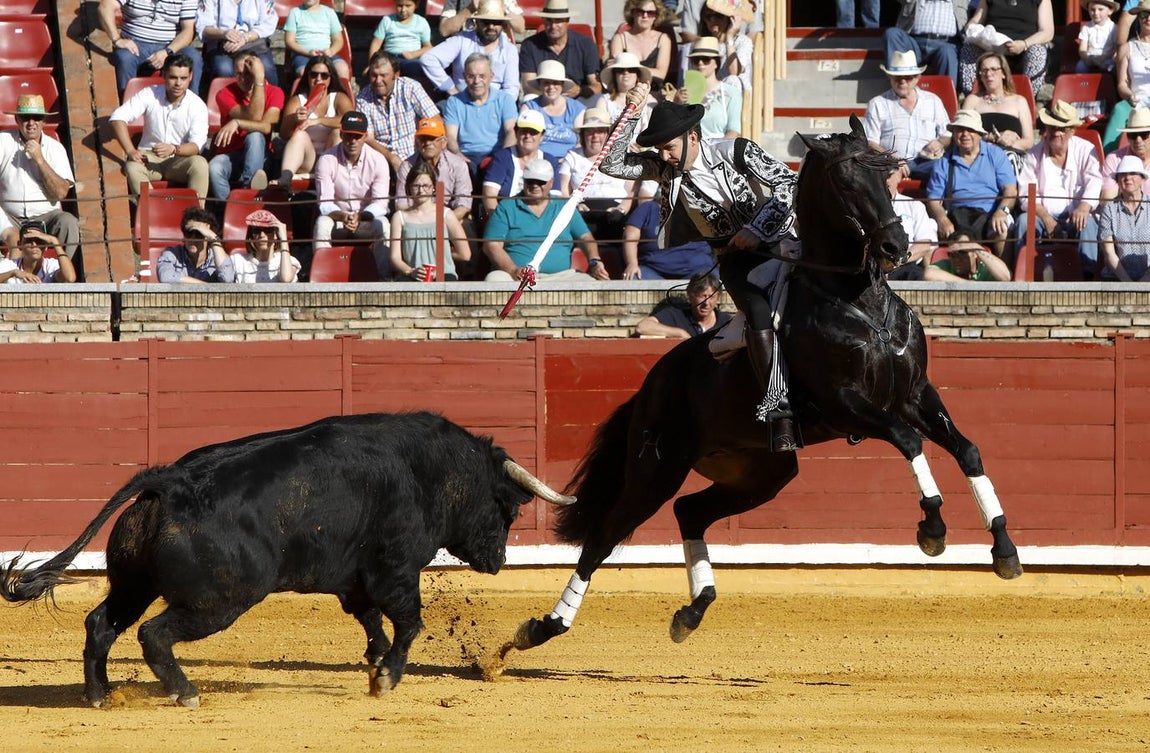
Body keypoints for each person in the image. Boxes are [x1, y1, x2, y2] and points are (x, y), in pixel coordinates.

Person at [600, 83, 799, 452]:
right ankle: (779, 408)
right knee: (757, 311)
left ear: (692, 137)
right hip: (734, 259)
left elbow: (789, 182)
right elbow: (611, 163)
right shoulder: (665, 171)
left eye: (669, 147)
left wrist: (758, 228)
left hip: (780, 243)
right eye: (660, 149)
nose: (664, 155)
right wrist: (630, 115)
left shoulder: (737, 150)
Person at [0, 95, 84, 280]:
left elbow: (61, 193)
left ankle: (60, 277)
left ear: (44, 121)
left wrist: (39, 160)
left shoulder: (55, 148)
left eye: (37, 118)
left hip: (45, 216)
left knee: (68, 222)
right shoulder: (3, 141)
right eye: (25, 118)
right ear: (17, 119)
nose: (31, 123)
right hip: (9, 215)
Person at [483, 159, 608, 282]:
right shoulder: (506, 207)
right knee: (494, 280)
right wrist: (513, 270)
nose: (535, 185)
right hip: (514, 276)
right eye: (530, 181)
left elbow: (585, 237)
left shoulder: (565, 207)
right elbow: (492, 245)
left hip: (562, 277)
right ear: (524, 181)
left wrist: (594, 261)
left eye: (541, 182)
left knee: (593, 284)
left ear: (551, 182)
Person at [109, 53, 210, 204]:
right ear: (164, 75)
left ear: (190, 77)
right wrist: (130, 151)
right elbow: (117, 118)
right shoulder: (150, 93)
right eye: (173, 77)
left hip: (179, 160)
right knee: (132, 167)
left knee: (200, 164)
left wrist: (174, 149)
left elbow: (197, 146)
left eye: (183, 78)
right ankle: (153, 210)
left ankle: (196, 214)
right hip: (148, 157)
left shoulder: (197, 105)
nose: (178, 83)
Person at [1016, 99, 1102, 276]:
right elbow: (1026, 195)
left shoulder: (1086, 150)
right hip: (1043, 215)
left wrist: (1083, 207)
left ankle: (1089, 277)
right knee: (1024, 221)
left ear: (1071, 131)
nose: (1056, 132)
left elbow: (1094, 182)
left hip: (1076, 215)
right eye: (1052, 127)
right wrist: (1046, 218)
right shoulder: (1033, 154)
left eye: (1062, 129)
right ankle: (1024, 273)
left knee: (1087, 222)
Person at [924, 109, 1017, 258]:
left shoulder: (996, 154)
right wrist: (942, 219)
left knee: (1003, 227)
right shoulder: (943, 162)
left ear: (979, 133)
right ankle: (934, 269)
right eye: (960, 130)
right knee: (928, 229)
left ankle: (1004, 270)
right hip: (956, 218)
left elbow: (1010, 190)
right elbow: (933, 200)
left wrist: (1002, 211)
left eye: (970, 130)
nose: (965, 134)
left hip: (991, 215)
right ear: (954, 133)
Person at [313, 111, 391, 278]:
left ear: (365, 136)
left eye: (357, 136)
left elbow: (381, 204)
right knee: (322, 224)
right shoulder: (326, 159)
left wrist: (359, 217)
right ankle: (321, 278)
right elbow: (325, 203)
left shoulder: (378, 160)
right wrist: (344, 217)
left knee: (383, 225)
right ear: (341, 134)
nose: (352, 140)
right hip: (338, 219)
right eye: (348, 135)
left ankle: (384, 279)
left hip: (366, 219)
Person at [207, 52, 284, 204]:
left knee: (255, 135)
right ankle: (227, 209)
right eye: (238, 74)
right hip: (232, 154)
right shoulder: (224, 93)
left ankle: (249, 190)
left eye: (248, 73)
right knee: (214, 167)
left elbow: (266, 127)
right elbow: (254, 117)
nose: (242, 79)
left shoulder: (275, 92)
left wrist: (238, 123)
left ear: (258, 72)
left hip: (261, 156)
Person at [864, 49, 951, 180]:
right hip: (889, 163)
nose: (903, 81)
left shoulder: (933, 100)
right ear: (890, 77)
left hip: (926, 161)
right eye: (897, 77)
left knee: (947, 168)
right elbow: (870, 142)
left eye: (908, 77)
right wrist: (891, 159)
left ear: (917, 77)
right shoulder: (877, 103)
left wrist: (939, 143)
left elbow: (947, 134)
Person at [273, 54, 355, 189]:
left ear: (331, 78)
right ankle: (285, 178)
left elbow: (350, 121)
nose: (318, 79)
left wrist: (318, 121)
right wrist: (294, 119)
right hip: (307, 159)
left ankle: (333, 176)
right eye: (314, 75)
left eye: (324, 76)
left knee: (337, 132)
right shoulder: (297, 100)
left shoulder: (338, 98)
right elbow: (284, 134)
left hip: (331, 157)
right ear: (307, 76)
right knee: (299, 135)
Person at [559, 108, 636, 249]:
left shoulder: (621, 156)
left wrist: (622, 209)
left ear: (608, 134)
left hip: (615, 214)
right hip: (582, 213)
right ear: (583, 135)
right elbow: (563, 190)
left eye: (600, 131)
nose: (595, 136)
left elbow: (632, 192)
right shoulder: (572, 157)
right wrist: (574, 207)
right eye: (590, 131)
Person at [357, 51, 440, 173]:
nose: (378, 81)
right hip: (381, 159)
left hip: (415, 156)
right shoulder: (363, 97)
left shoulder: (410, 87)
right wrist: (391, 158)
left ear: (396, 75)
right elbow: (368, 138)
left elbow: (435, 120)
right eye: (374, 75)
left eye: (383, 75)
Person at [99, 0, 203, 96]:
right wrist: (117, 39)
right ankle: (127, 102)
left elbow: (188, 30)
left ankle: (191, 103)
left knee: (193, 57)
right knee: (125, 58)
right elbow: (105, 7)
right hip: (135, 45)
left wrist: (168, 51)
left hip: (172, 46)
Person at [420, 0, 521, 100]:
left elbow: (511, 89)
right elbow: (429, 58)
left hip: (496, 104)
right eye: (485, 22)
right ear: (476, 22)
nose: (491, 26)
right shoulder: (461, 40)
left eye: (496, 22)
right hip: (461, 102)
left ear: (503, 24)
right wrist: (451, 89)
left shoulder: (509, 49)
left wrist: (500, 106)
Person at [389, 164, 472, 281]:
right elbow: (395, 257)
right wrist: (411, 271)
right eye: (416, 186)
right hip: (413, 276)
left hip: (444, 275)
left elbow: (465, 254)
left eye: (426, 186)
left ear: (433, 187)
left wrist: (444, 257)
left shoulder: (446, 214)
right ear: (409, 188)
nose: (421, 190)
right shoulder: (399, 217)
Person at [958, 0, 1054, 97]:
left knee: (1038, 51)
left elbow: (1047, 32)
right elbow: (977, 19)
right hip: (992, 50)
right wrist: (971, 28)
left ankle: (1028, 97)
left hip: (1024, 50)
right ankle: (973, 96)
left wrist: (1024, 44)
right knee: (969, 47)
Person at [442, 53, 518, 173]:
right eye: (471, 76)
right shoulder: (454, 102)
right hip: (464, 157)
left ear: (491, 76)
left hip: (497, 155)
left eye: (482, 76)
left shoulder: (505, 100)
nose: (476, 81)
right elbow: (450, 136)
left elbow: (511, 131)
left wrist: (501, 158)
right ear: (464, 77)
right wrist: (458, 156)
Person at [960, 51, 1036, 170]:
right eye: (984, 70)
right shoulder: (972, 100)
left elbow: (1029, 141)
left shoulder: (1019, 101)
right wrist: (991, 138)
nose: (988, 74)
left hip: (1010, 155)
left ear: (1004, 73)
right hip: (979, 154)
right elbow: (961, 134)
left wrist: (1010, 144)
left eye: (994, 69)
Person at [482, 109, 563, 217]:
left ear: (542, 136)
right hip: (505, 217)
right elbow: (489, 196)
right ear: (516, 132)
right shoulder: (502, 158)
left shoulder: (550, 161)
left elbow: (555, 199)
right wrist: (501, 220)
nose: (527, 136)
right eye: (524, 131)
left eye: (533, 132)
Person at [519, 0, 602, 102]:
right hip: (543, 99)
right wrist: (554, 96)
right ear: (543, 20)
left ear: (567, 21)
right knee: (529, 98)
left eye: (558, 21)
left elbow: (597, 86)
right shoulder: (530, 45)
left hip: (578, 99)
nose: (553, 26)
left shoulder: (586, 44)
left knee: (597, 99)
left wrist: (579, 91)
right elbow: (528, 86)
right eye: (549, 20)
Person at [395, 116, 473, 221]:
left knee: (467, 225)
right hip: (417, 220)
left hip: (449, 219)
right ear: (417, 142)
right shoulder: (407, 166)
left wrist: (441, 222)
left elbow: (464, 205)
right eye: (423, 139)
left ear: (444, 142)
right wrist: (423, 222)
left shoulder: (458, 165)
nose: (427, 143)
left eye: (432, 138)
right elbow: (402, 205)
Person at [622, 199, 716, 280]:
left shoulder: (698, 208)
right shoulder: (648, 208)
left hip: (698, 269)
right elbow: (629, 237)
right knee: (633, 277)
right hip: (653, 269)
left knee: (714, 281)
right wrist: (632, 264)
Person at [196, 0, 280, 86]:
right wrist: (224, 34)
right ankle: (225, 94)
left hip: (253, 42)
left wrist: (245, 37)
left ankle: (271, 94)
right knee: (224, 69)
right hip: (222, 44)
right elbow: (203, 27)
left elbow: (268, 23)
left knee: (266, 67)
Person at [1104, 1, 1150, 151]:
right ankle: (1107, 156)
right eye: (1144, 14)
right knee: (1119, 109)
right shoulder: (1127, 48)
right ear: (1138, 17)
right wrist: (1130, 95)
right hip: (1136, 101)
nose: (1148, 19)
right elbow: (1122, 84)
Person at [884, 0, 963, 86]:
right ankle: (899, 86)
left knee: (948, 52)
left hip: (945, 44)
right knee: (892, 34)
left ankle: (946, 92)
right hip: (914, 42)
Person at [682, 0, 753, 93]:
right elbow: (694, 79)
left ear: (730, 18)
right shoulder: (701, 44)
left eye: (718, 16)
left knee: (732, 80)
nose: (713, 20)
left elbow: (734, 72)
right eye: (708, 16)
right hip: (710, 95)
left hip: (737, 96)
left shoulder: (742, 42)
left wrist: (729, 37)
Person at [1098, 154, 1150, 280]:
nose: (1127, 178)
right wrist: (1128, 284)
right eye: (1122, 174)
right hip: (1116, 279)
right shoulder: (1109, 209)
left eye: (1133, 173)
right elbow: (1109, 253)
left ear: (1142, 178)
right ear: (1117, 180)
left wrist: (1145, 281)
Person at [521, 60, 587, 159]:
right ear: (539, 84)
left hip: (570, 160)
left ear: (562, 85)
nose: (551, 87)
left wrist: (568, 161)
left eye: (555, 83)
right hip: (538, 160)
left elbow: (581, 143)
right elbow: (524, 141)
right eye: (546, 83)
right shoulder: (530, 108)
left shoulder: (576, 109)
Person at [634, 272, 731, 338]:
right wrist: (680, 333)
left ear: (718, 298)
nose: (706, 303)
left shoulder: (726, 322)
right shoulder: (678, 315)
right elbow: (642, 327)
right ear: (690, 296)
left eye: (711, 297)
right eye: (702, 296)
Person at [680, 37, 742, 141]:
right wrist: (677, 103)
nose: (700, 63)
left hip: (719, 147)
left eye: (706, 59)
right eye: (696, 60)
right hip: (691, 147)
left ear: (716, 63)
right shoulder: (684, 93)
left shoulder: (731, 92)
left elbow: (733, 131)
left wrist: (716, 149)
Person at [886, 164, 939, 281]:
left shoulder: (914, 206)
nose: (885, 180)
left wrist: (897, 261)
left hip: (905, 266)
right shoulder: (864, 206)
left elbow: (924, 244)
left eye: (888, 176)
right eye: (880, 176)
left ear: (899, 175)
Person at [156, 206, 235, 283]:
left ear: (207, 236)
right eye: (189, 233)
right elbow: (165, 277)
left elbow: (227, 278)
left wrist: (213, 237)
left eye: (199, 234)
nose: (193, 238)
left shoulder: (216, 257)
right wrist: (206, 287)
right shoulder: (172, 253)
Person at [607, 0, 673, 91]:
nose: (645, 16)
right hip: (626, 92)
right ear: (632, 13)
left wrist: (630, 67)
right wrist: (646, 71)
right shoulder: (619, 38)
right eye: (640, 11)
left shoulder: (663, 39)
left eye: (650, 13)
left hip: (654, 93)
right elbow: (617, 71)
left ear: (656, 16)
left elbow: (661, 74)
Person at [283, 0, 351, 83]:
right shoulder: (294, 13)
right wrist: (308, 52)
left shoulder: (329, 13)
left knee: (342, 68)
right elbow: (289, 41)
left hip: (326, 54)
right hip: (303, 55)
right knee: (303, 72)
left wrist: (331, 51)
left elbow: (338, 40)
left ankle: (340, 91)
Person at [366, 0, 433, 78]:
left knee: (415, 67)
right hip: (389, 58)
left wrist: (413, 54)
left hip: (411, 60)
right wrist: (371, 64)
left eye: (408, 6)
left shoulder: (421, 22)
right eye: (400, 6)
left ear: (416, 5)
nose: (403, 10)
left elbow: (428, 47)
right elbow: (376, 43)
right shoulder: (387, 20)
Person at [230, 209, 300, 283]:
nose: (262, 235)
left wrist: (283, 239)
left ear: (276, 234)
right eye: (256, 231)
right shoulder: (238, 260)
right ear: (252, 235)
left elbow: (286, 279)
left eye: (268, 230)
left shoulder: (289, 261)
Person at [0, 221, 77, 284]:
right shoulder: (10, 264)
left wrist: (55, 241)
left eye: (39, 241)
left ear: (46, 246)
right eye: (28, 241)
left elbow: (70, 278)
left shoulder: (51, 265)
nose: (34, 245)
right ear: (20, 245)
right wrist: (13, 273)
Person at [1101, 108, 1150, 202]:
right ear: (1127, 136)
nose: (1138, 140)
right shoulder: (1114, 159)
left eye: (1144, 134)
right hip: (1121, 210)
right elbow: (1107, 201)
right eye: (1133, 135)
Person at [597, 52, 656, 126]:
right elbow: (600, 129)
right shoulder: (604, 101)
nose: (625, 72)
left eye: (631, 69)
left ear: (637, 75)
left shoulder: (649, 100)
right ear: (614, 75)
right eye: (620, 70)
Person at [924, 231, 1012, 280]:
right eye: (952, 254)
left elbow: (1006, 277)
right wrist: (967, 284)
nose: (956, 259)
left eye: (962, 252)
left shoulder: (984, 268)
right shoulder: (946, 264)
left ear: (975, 253)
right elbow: (928, 274)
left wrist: (976, 247)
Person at [437, 0, 525, 40]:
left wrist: (501, 7)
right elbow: (444, 30)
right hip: (465, 46)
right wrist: (469, 9)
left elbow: (520, 28)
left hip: (495, 45)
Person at [1077, 1, 1119, 73]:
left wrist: (1104, 58)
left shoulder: (1113, 28)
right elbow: (1082, 49)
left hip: (1107, 58)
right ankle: (1083, 80)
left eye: (1100, 9)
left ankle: (1107, 80)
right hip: (1090, 57)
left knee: (1112, 68)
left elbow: (1116, 49)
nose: (1096, 13)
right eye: (1092, 9)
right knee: (1080, 67)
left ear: (1110, 11)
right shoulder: (1086, 28)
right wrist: (1087, 59)